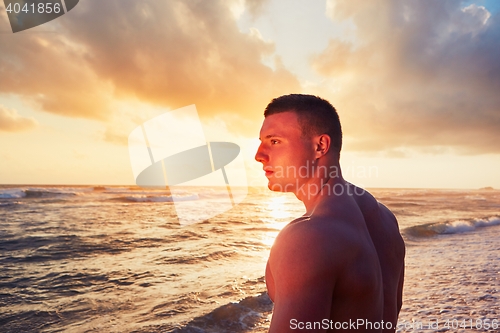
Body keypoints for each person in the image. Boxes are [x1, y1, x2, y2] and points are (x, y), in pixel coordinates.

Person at [255, 94, 405, 332]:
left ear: (320, 146)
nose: (259, 155)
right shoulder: (385, 219)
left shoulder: (307, 238)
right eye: (262, 142)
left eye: (274, 142)